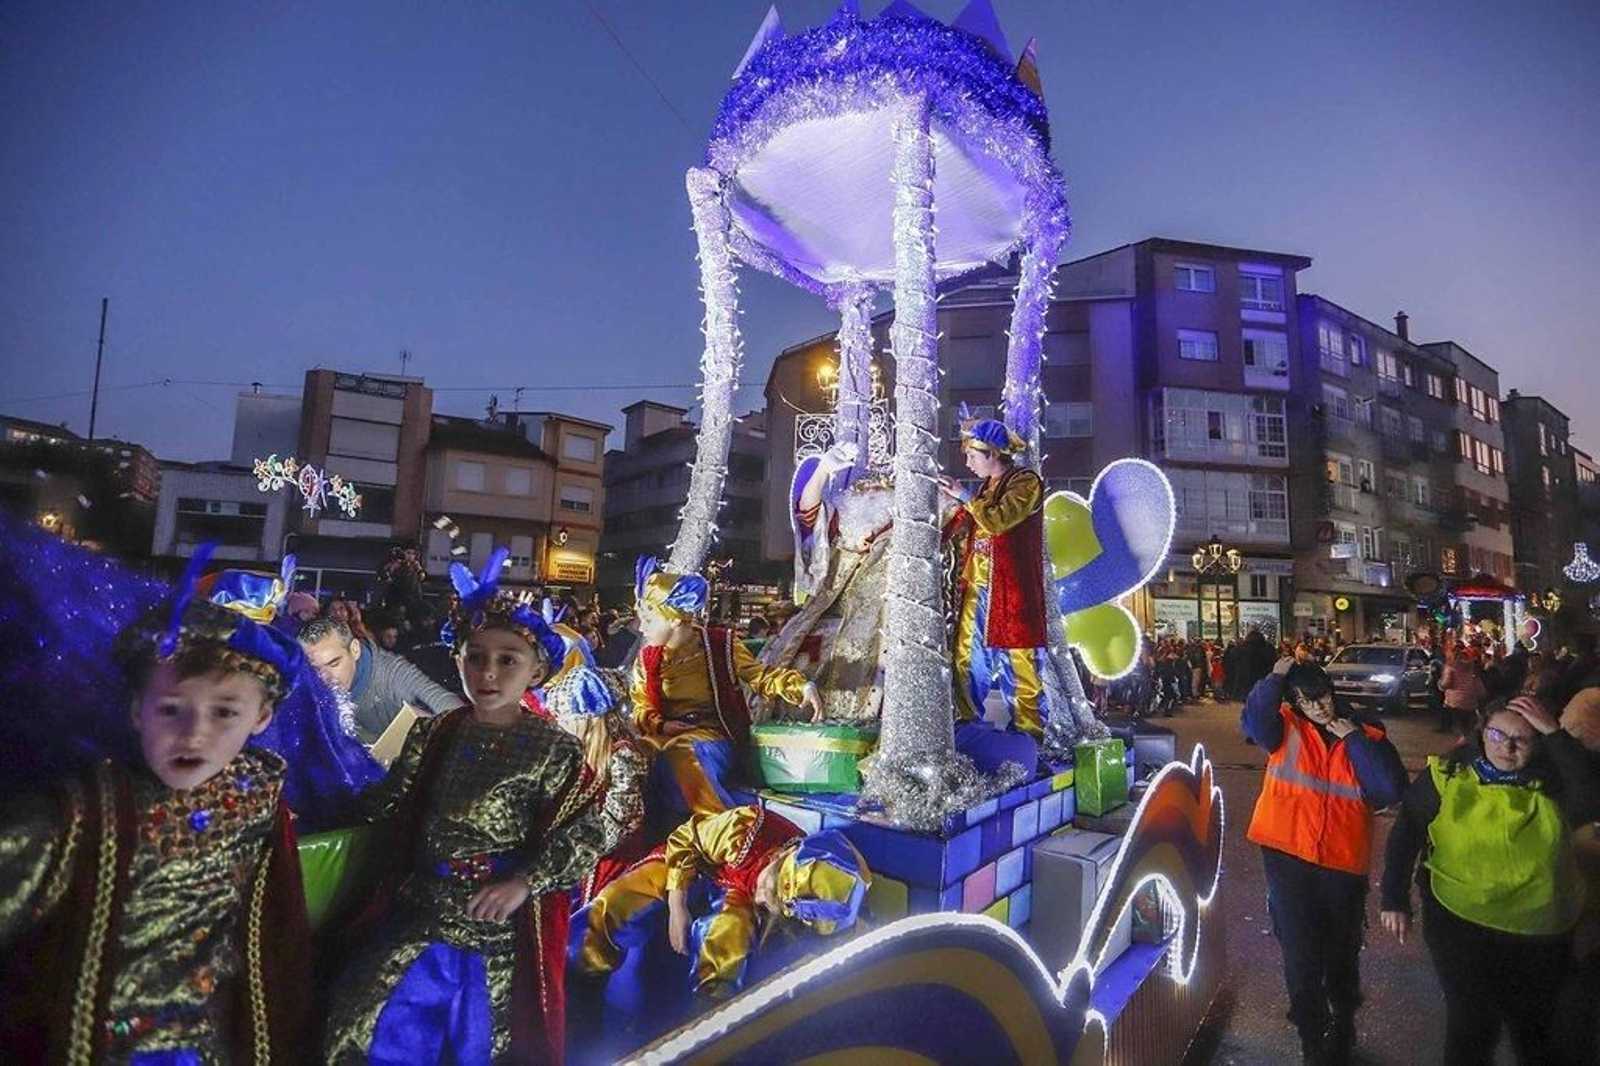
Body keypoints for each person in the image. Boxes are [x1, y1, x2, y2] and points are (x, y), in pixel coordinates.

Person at [0, 596, 311, 1061]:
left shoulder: (262, 802)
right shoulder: (85, 811)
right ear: (136, 710)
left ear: (261, 717)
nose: (194, 734)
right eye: (170, 709)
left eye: (224, 712)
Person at [322, 552, 606, 1063]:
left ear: (537, 669)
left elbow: (583, 834)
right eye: (476, 657)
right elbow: (389, 802)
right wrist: (320, 800)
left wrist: (523, 883)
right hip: (422, 913)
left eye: (508, 660)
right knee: (363, 1024)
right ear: (458, 660)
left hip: (495, 931)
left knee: (482, 1046)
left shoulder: (556, 749)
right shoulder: (434, 733)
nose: (488, 672)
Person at [1380, 695, 1597, 1065]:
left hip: (1538, 929)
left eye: (1521, 739)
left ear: (1538, 743)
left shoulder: (1554, 783)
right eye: (1497, 735)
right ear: (1482, 733)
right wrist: (1394, 897)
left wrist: (1555, 733)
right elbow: (1408, 829)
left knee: (1534, 1028)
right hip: (1459, 919)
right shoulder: (1449, 774)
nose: (1506, 747)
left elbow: (1591, 799)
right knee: (1472, 1024)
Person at [1242, 656, 1408, 1064]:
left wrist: (1353, 740)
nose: (1316, 707)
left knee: (1340, 951)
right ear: (1294, 701)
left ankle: (1344, 1019)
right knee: (1300, 952)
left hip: (1341, 862)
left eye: (1321, 697)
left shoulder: (1366, 730)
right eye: (1305, 700)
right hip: (1287, 856)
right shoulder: (1284, 726)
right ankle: (1311, 1035)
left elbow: (1389, 789)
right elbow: (1254, 721)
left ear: (1332, 693)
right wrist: (1275, 677)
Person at [571, 804, 870, 1004]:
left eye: (771, 904)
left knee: (728, 938)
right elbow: (685, 840)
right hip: (690, 865)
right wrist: (677, 906)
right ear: (780, 857)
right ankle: (576, 977)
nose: (761, 898)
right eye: (767, 887)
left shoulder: (791, 900)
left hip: (735, 892)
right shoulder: (750, 827)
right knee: (619, 900)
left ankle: (709, 1017)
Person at [631, 556, 821, 825]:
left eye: (649, 620)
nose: (641, 628)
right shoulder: (647, 659)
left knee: (683, 752)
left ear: (674, 620)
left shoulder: (720, 645)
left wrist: (801, 686)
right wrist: (662, 725)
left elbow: (760, 676)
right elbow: (641, 706)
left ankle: (729, 827)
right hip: (664, 735)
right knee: (634, 754)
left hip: (712, 737)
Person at [939, 416, 1052, 737]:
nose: (968, 463)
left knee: (1020, 662)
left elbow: (998, 520)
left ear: (992, 453)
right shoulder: (985, 488)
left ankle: (1029, 739)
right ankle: (967, 729)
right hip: (977, 587)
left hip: (1013, 590)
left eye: (972, 456)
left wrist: (964, 497)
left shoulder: (1026, 482)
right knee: (966, 660)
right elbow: (964, 524)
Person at [299, 615, 465, 745]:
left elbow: (446, 705)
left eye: (334, 663)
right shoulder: (303, 685)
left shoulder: (392, 674)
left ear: (355, 650)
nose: (324, 678)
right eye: (315, 669)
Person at [1438, 645, 1487, 738]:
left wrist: (1439, 684)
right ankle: (1468, 739)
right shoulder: (1472, 667)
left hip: (1455, 702)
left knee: (1461, 728)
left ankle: (1463, 741)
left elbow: (1446, 684)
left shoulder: (1450, 667)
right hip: (1471, 701)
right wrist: (1481, 695)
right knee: (1469, 727)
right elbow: (1478, 684)